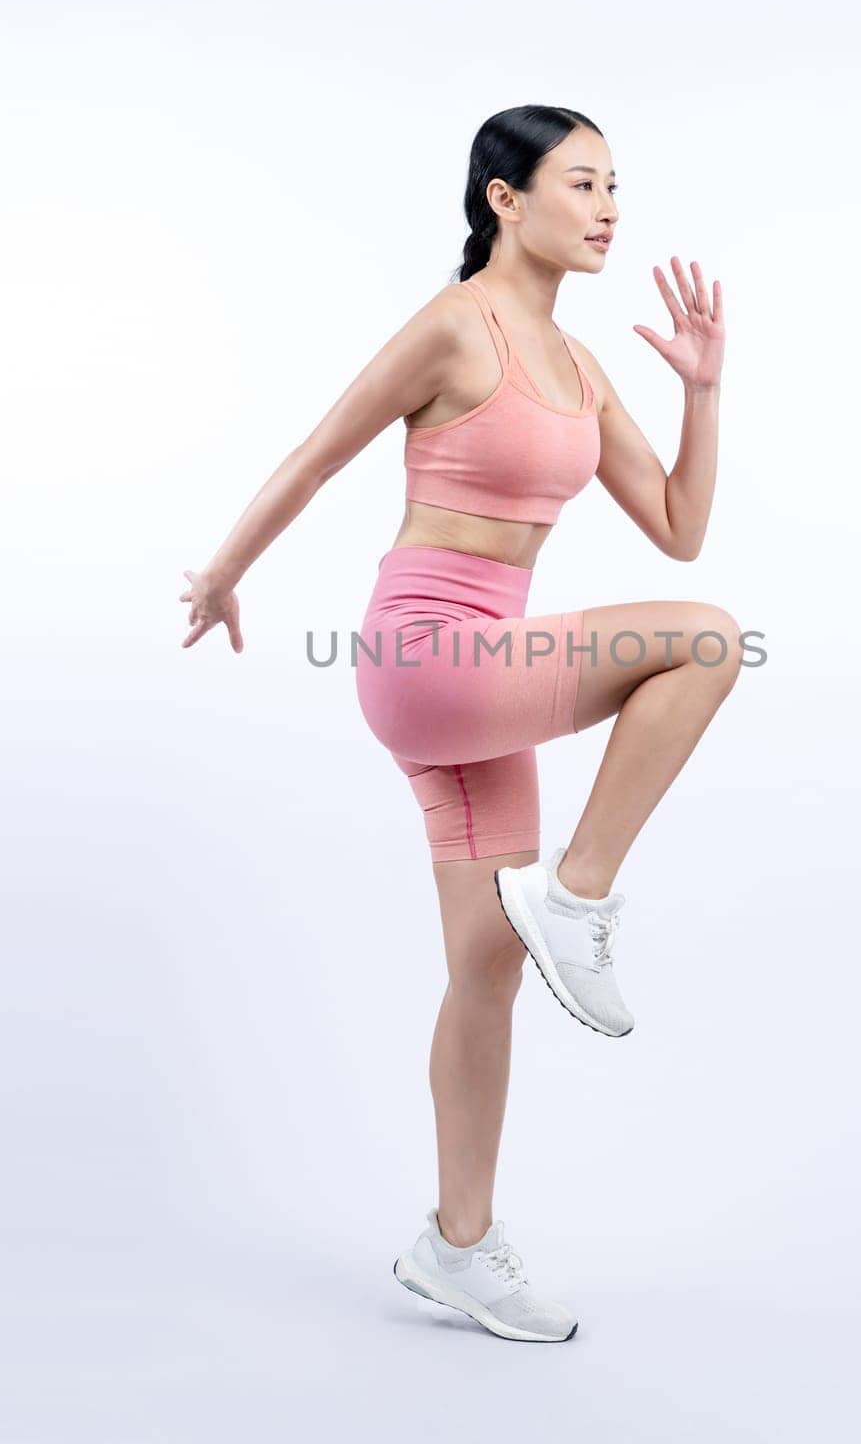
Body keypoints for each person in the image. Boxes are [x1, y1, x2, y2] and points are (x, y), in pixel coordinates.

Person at [179, 104, 741, 1342]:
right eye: (582, 182)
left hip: (492, 680)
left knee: (484, 966)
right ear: (504, 196)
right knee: (704, 640)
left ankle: (458, 1245)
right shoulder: (454, 326)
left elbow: (678, 523)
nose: (606, 208)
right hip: (430, 652)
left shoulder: (584, 370)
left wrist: (703, 392)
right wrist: (223, 572)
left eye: (615, 187)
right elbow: (319, 454)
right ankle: (581, 897)